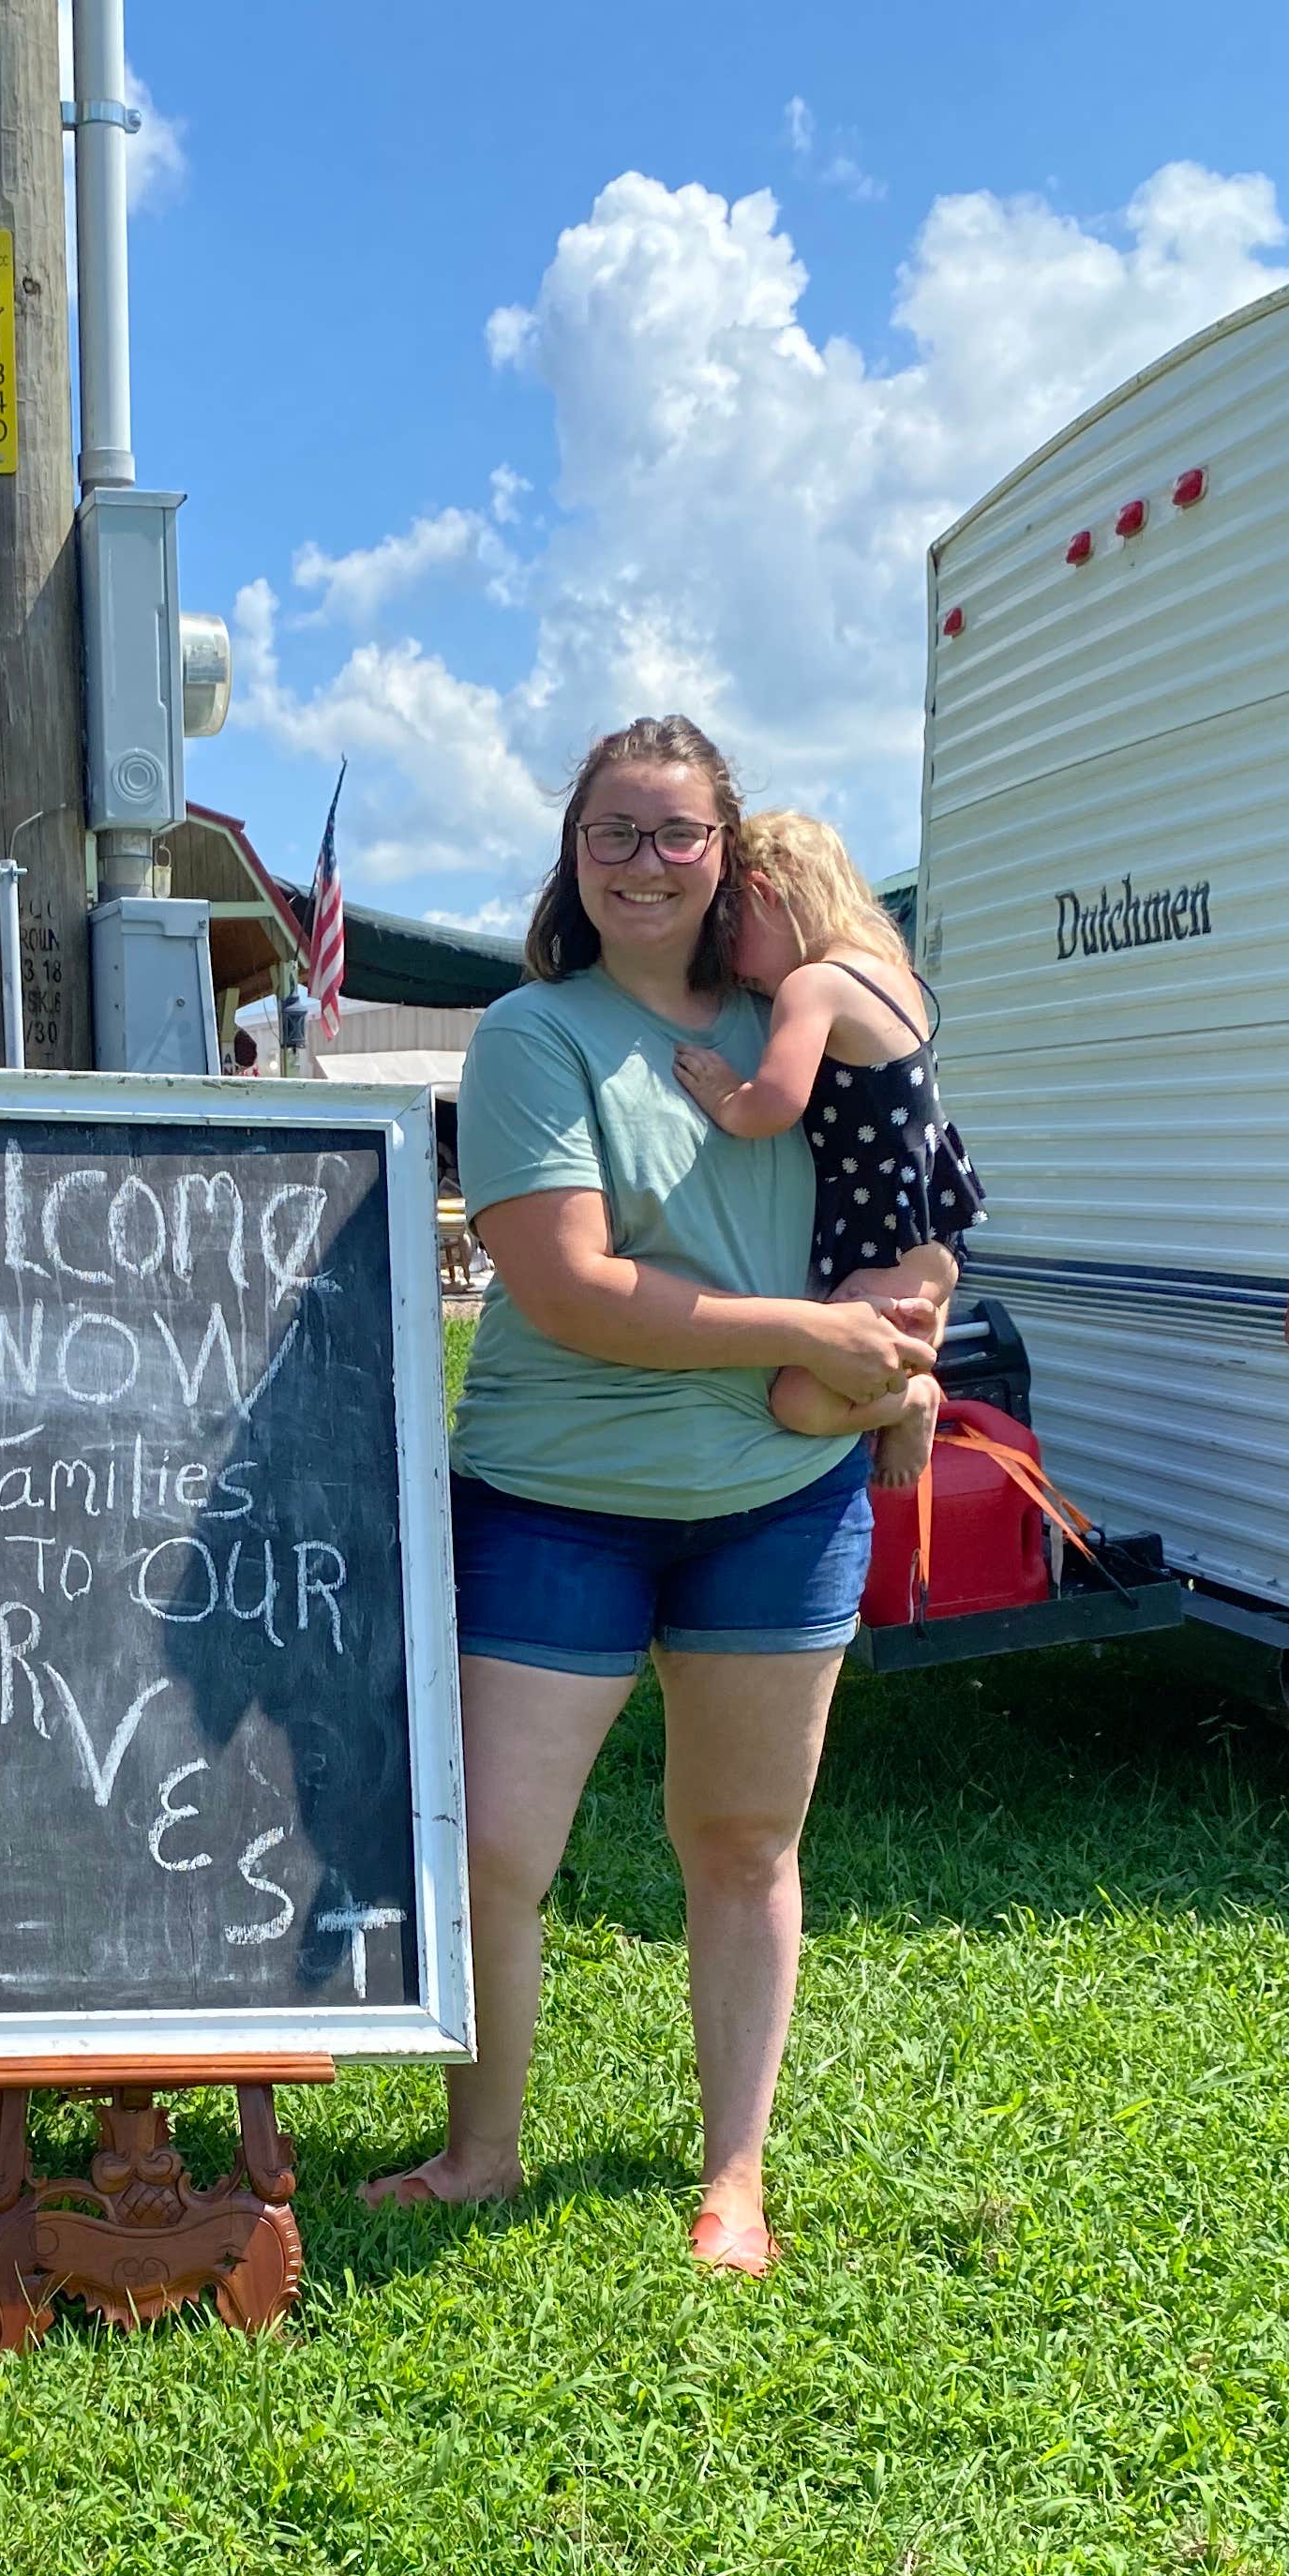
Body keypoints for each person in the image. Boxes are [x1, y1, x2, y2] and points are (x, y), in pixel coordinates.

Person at [363, 717, 938, 2271]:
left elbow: (915, 1182)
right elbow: (566, 1289)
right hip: (556, 1497)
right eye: (609, 832)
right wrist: (813, 1334)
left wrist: (905, 1317)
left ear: (726, 853)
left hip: (780, 1491)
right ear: (570, 854)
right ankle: (479, 2147)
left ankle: (733, 2175)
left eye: (675, 833)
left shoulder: (804, 1017)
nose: (641, 861)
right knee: (491, 1845)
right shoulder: (529, 1035)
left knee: (741, 1841)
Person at [672, 807, 982, 1485]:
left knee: (797, 1400)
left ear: (764, 893)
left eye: (730, 929)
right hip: (922, 1235)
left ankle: (913, 1403)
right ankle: (904, 1392)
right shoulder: (889, 971)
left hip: (877, 1240)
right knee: (861, 1364)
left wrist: (728, 1093)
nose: (728, 962)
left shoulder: (811, 984)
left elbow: (776, 1103)